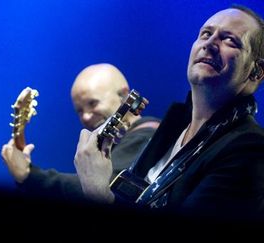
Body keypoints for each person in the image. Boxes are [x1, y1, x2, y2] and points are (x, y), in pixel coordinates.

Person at [74, 5, 264, 216]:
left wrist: (97, 192)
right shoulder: (173, 127)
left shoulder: (250, 149)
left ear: (256, 72)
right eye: (206, 34)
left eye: (229, 40)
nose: (210, 44)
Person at [1, 63, 160, 200]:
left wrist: (30, 175)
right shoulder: (116, 143)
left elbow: (98, 187)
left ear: (124, 95)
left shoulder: (148, 135)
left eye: (93, 103)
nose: (86, 116)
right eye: (79, 110)